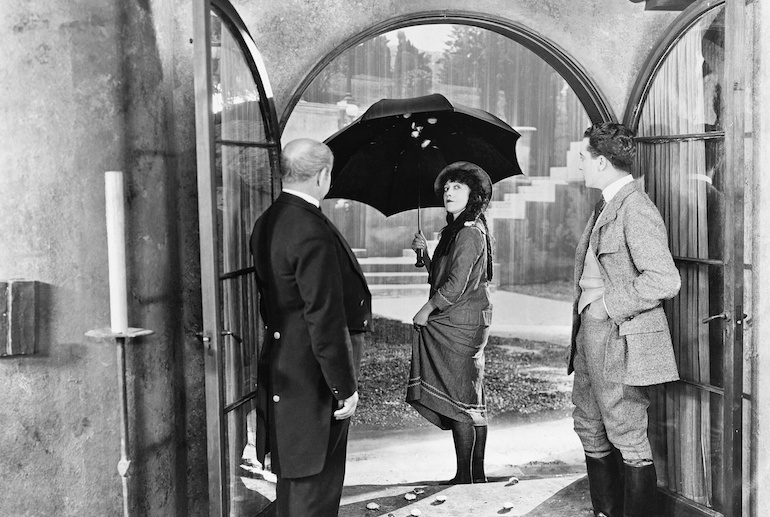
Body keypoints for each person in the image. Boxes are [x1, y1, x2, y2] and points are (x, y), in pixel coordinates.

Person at [249, 138, 372, 517]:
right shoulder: (310, 228)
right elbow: (325, 316)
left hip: (284, 364)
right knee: (315, 487)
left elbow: (269, 303)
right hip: (314, 376)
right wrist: (344, 387)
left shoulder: (268, 221)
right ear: (323, 176)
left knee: (296, 478)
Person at [568, 122, 681, 517]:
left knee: (626, 432)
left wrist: (606, 307)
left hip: (618, 337)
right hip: (590, 334)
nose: (579, 165)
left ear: (601, 161)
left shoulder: (636, 207)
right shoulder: (605, 204)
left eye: (582, 158)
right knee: (588, 423)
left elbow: (665, 279)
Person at [408, 161, 494, 485]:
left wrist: (426, 309)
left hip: (461, 322)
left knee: (461, 397)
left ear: (473, 194)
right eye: (446, 187)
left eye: (457, 187)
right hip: (465, 317)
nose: (448, 192)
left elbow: (456, 286)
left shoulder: (470, 232)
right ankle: (476, 474)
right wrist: (427, 256)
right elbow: (445, 277)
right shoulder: (456, 231)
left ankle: (464, 476)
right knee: (472, 395)